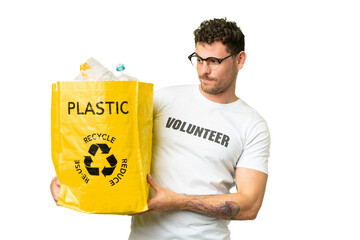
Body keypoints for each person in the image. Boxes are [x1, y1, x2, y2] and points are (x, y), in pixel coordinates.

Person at [51, 18, 270, 240]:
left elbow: (250, 205)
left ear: (239, 59)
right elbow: (114, 139)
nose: (204, 70)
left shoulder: (251, 125)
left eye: (214, 61)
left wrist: (178, 201)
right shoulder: (163, 100)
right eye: (199, 59)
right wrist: (73, 179)